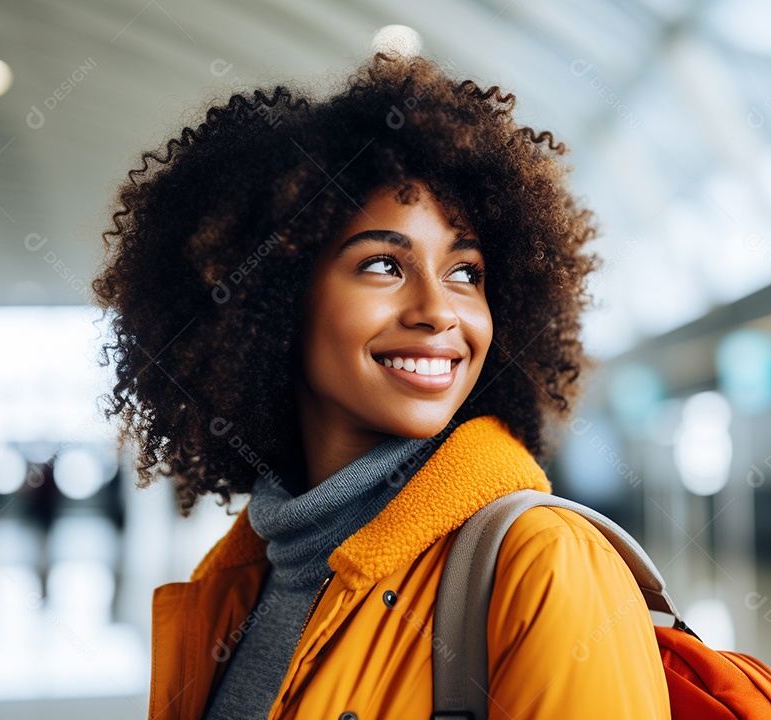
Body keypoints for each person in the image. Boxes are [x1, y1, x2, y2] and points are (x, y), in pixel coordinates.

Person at [92, 52, 670, 720]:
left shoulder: (544, 566)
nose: (438, 309)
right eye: (383, 264)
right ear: (272, 300)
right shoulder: (234, 583)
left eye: (465, 272)